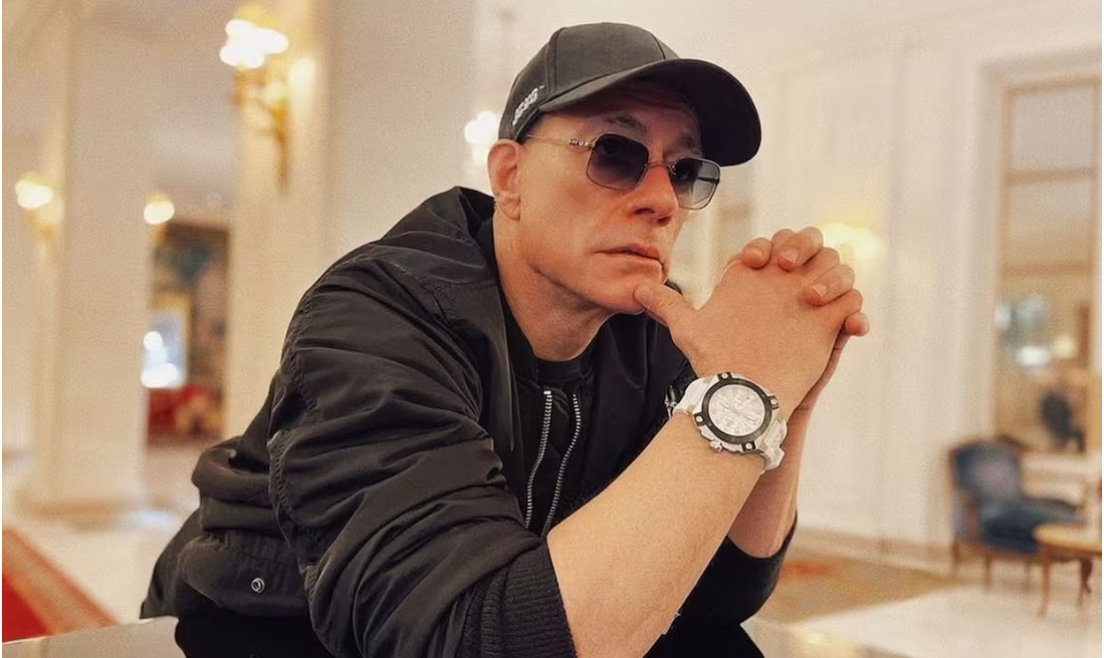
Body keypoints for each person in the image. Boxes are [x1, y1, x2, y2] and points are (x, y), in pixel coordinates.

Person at [141, 22, 868, 658]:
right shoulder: (375, 313)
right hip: (251, 627)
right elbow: (468, 636)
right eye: (616, 153)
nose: (660, 201)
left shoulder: (655, 336)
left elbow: (721, 591)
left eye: (685, 172)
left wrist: (787, 395)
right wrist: (740, 391)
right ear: (511, 178)